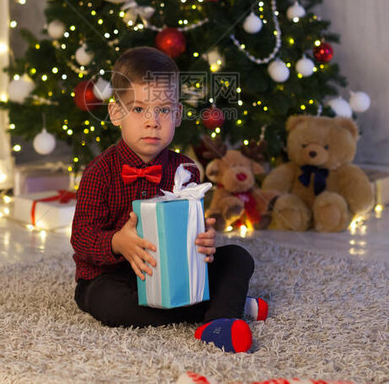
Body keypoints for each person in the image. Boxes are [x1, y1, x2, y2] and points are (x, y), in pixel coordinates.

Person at [71, 47, 267, 353]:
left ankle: (219, 322)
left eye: (163, 110)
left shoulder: (185, 168)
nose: (153, 122)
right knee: (110, 304)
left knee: (238, 258)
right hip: (115, 277)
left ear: (176, 115)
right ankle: (225, 305)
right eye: (138, 110)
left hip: (174, 273)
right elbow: (81, 239)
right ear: (115, 113)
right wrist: (117, 243)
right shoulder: (99, 172)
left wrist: (204, 241)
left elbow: (194, 231)